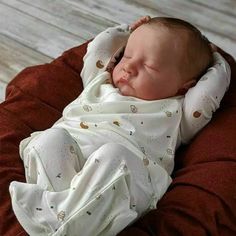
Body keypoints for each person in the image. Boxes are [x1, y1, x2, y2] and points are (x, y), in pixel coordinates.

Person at [9, 16, 231, 236]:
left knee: (114, 154)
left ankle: (58, 224)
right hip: (69, 167)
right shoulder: (99, 81)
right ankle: (69, 219)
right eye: (127, 55)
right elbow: (98, 47)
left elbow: (209, 93)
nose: (129, 67)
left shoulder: (178, 112)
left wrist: (217, 60)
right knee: (49, 139)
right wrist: (127, 31)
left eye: (149, 66)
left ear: (185, 86)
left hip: (124, 181)